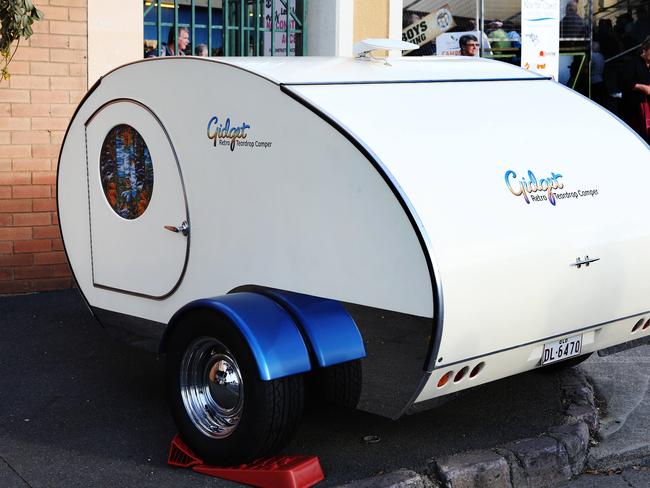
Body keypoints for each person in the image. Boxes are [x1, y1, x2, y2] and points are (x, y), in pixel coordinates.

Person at [621, 36, 650, 142]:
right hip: (635, 110)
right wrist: (642, 87)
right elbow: (624, 83)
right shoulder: (633, 63)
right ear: (644, 50)